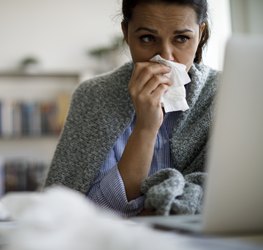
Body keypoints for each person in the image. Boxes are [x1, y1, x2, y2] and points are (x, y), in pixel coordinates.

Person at [45, 0, 219, 217]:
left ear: (200, 33)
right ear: (126, 33)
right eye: (147, 38)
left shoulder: (224, 94)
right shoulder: (95, 95)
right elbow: (81, 211)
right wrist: (146, 127)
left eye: (181, 38)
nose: (166, 57)